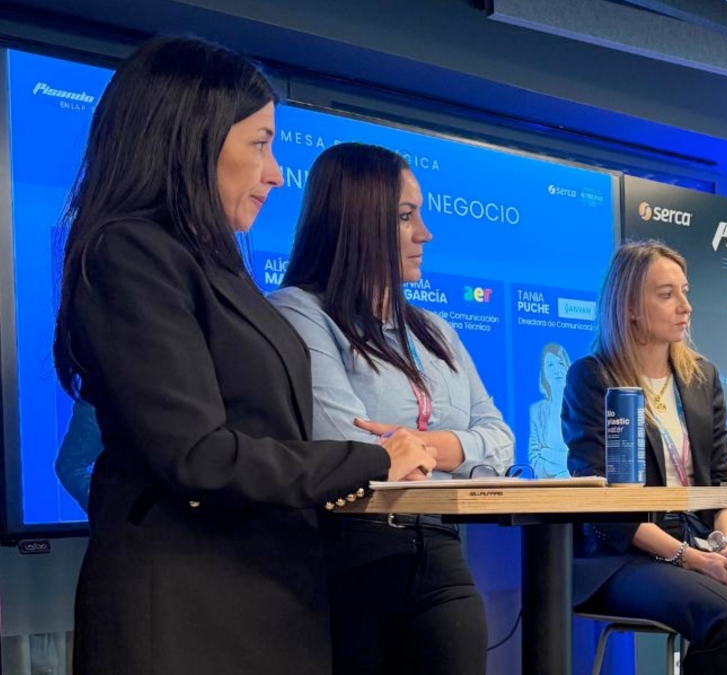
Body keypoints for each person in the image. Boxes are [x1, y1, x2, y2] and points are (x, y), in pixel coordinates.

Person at [52, 37, 433, 675]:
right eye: (259, 143)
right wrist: (373, 459)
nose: (277, 172)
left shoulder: (216, 267)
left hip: (261, 600)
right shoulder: (130, 254)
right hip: (187, 617)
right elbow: (198, 454)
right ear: (191, 137)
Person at [269, 142, 514, 675]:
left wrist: (423, 447)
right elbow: (345, 443)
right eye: (406, 217)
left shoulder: (437, 330)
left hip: (444, 553)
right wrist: (450, 451)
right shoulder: (298, 311)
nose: (424, 233)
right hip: (353, 559)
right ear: (358, 221)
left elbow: (499, 440)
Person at [562, 240, 727, 675]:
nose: (685, 305)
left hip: (702, 542)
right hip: (623, 556)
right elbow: (601, 506)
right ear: (628, 306)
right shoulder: (592, 377)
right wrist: (690, 558)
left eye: (685, 291)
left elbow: (723, 478)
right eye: (667, 294)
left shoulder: (701, 377)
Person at [528, 342, 571, 478]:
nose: (557, 370)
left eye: (560, 364)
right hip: (550, 485)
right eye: (550, 365)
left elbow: (584, 459)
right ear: (544, 372)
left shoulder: (583, 406)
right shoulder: (536, 410)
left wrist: (548, 454)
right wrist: (557, 468)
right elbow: (534, 458)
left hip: (579, 486)